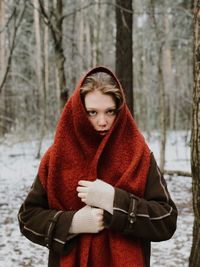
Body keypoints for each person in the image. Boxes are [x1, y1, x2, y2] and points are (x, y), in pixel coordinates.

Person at [18, 66, 178, 267]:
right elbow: (27, 218)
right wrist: (72, 223)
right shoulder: (57, 156)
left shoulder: (139, 154)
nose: (102, 121)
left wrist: (114, 201)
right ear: (78, 110)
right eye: (92, 113)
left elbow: (166, 220)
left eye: (110, 111)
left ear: (119, 110)